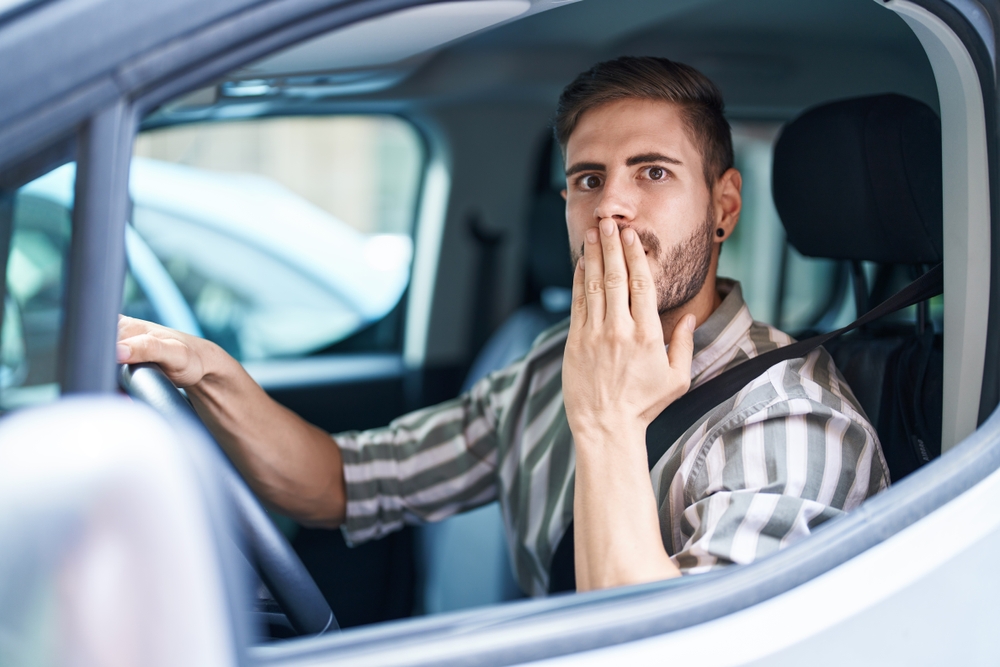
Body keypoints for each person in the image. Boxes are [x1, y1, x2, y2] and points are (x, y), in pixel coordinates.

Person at [117, 56, 888, 597]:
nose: (610, 207)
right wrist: (207, 369)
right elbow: (340, 484)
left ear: (723, 207)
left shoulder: (792, 419)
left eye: (653, 172)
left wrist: (608, 418)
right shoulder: (548, 364)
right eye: (588, 179)